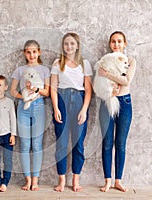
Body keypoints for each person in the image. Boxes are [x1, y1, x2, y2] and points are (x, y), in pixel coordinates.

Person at [50, 32, 93, 192]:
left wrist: (84, 110)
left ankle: (76, 179)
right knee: (61, 143)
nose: (69, 46)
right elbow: (53, 88)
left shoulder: (85, 63)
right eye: (66, 44)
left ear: (77, 45)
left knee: (78, 144)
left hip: (79, 101)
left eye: (72, 43)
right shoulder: (57, 63)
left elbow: (88, 90)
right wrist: (56, 108)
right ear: (63, 46)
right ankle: (61, 180)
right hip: (62, 100)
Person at [97, 31, 136, 192]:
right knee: (107, 143)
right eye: (113, 41)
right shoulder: (103, 62)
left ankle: (118, 180)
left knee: (120, 143)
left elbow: (126, 80)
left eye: (119, 41)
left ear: (124, 43)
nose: (116, 44)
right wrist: (110, 80)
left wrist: (108, 74)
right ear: (110, 44)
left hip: (125, 103)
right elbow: (99, 82)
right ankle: (107, 180)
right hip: (107, 102)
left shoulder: (131, 61)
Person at [10, 40, 50, 191]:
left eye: (34, 52)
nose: (31, 55)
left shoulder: (45, 70)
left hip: (39, 107)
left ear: (39, 52)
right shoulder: (20, 70)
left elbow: (46, 92)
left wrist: (35, 90)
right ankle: (27, 180)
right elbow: (13, 91)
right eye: (28, 52)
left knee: (37, 145)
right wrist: (24, 96)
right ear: (24, 53)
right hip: (23, 108)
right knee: (25, 145)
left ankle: (35, 180)